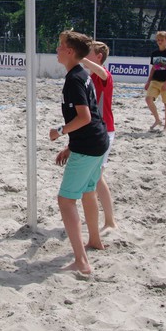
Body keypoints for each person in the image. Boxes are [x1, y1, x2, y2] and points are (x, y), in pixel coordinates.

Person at [49, 30, 109, 274]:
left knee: (65, 201)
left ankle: (81, 262)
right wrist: (70, 146)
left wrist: (60, 131)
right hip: (98, 141)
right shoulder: (82, 73)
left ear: (70, 51)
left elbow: (84, 117)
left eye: (60, 46)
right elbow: (91, 115)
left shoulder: (74, 79)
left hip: (89, 145)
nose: (57, 49)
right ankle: (95, 240)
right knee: (88, 191)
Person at [81, 41, 117, 231]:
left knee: (97, 177)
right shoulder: (90, 77)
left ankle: (110, 220)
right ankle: (98, 216)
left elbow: (103, 73)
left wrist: (81, 58)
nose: (85, 56)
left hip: (105, 131)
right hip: (95, 130)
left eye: (89, 53)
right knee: (94, 177)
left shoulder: (104, 75)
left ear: (99, 57)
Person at [144, 31, 166, 132]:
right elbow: (153, 68)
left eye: (162, 40)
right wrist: (148, 81)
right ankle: (157, 119)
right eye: (158, 40)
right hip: (155, 81)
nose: (160, 42)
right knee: (148, 99)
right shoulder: (154, 53)